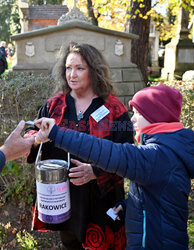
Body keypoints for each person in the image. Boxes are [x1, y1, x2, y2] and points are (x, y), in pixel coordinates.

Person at [35, 84, 194, 250]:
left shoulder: (155, 156)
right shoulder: (170, 149)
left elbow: (106, 152)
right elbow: (157, 196)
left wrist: (57, 133)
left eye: (138, 113)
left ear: (155, 116)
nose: (132, 118)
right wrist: (129, 206)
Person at [25, 42, 134, 249]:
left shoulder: (113, 109)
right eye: (68, 68)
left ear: (94, 70)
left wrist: (95, 172)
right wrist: (37, 138)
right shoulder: (54, 105)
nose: (72, 74)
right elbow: (30, 136)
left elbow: (128, 154)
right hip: (63, 199)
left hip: (100, 200)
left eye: (79, 68)